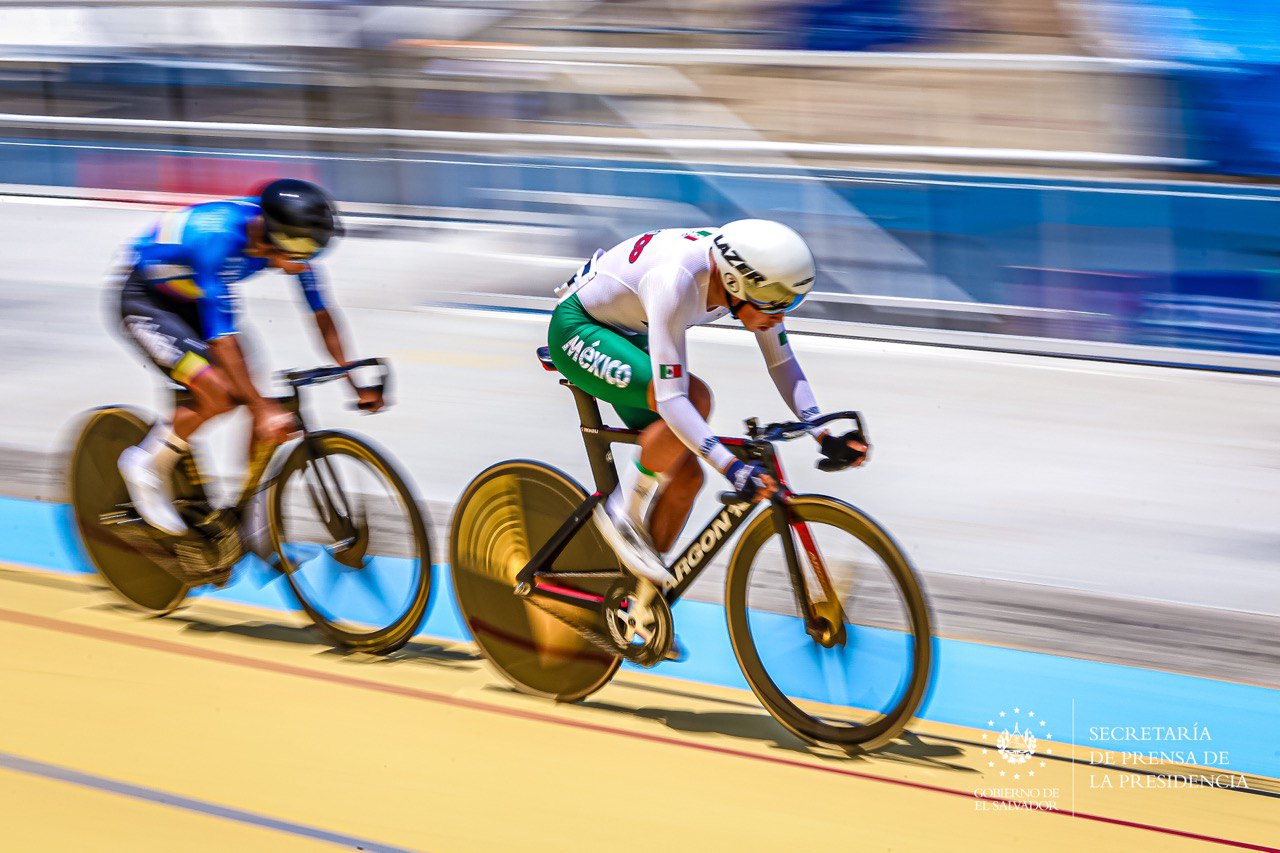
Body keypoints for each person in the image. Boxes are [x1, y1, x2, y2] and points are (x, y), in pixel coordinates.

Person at [548, 219, 868, 589]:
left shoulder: (751, 279)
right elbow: (672, 400)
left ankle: (641, 604)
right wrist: (732, 468)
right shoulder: (676, 280)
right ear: (734, 283)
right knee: (695, 398)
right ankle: (623, 512)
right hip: (580, 328)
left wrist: (821, 432)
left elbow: (781, 362)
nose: (781, 316)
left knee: (686, 478)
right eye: (776, 305)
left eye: (791, 303)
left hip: (630, 330)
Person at [113, 178, 383, 536]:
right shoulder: (220, 240)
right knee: (223, 394)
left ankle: (248, 508)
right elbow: (222, 338)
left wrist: (352, 379)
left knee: (258, 396)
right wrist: (260, 409)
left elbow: (321, 315)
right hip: (146, 301)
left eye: (316, 249)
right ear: (275, 235)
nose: (308, 259)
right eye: (302, 247)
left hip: (194, 300)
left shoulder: (292, 248)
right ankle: (146, 463)